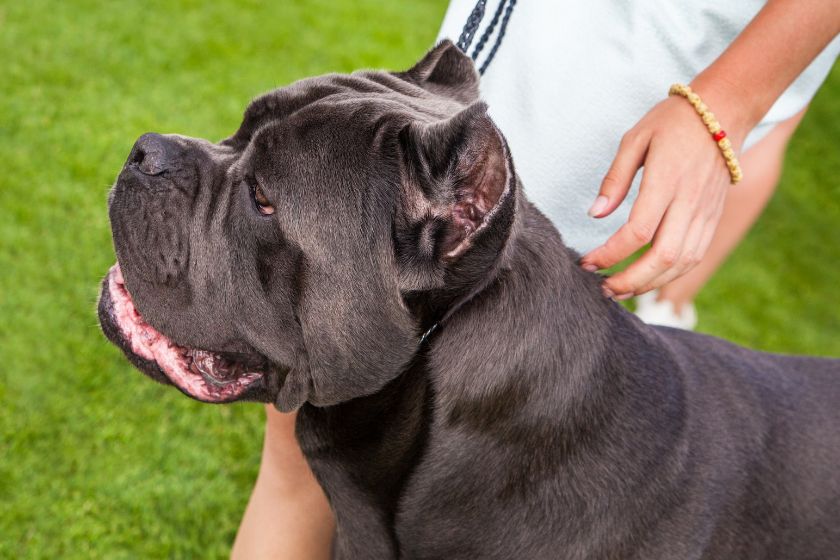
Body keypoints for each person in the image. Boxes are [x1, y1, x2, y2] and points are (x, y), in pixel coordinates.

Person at [232, 1, 840, 557]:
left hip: (637, 44)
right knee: (319, 422)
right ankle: (658, 312)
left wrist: (724, 106)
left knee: (369, 363)